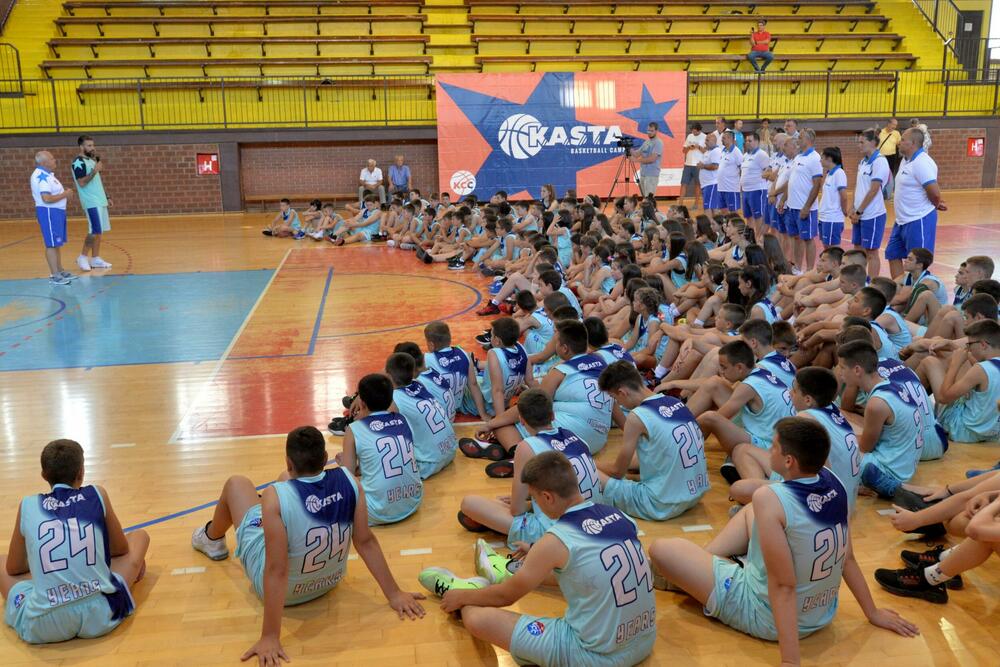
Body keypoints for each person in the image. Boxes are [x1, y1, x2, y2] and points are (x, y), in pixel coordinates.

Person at [649, 417, 919, 665]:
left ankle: (698, 574)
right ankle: (705, 569)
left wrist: (790, 660)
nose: (769, 450)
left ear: (789, 461)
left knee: (662, 549)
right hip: (821, 612)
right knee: (750, 512)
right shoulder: (835, 483)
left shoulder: (770, 498)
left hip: (769, 615)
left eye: (774, 446)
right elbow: (848, 559)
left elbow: (783, 586)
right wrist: (872, 612)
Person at [191, 426, 426, 663]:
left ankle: (211, 539)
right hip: (329, 581)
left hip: (287, 594)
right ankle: (283, 515)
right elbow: (365, 542)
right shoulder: (351, 481)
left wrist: (270, 636)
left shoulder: (273, 495)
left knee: (237, 484)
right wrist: (394, 593)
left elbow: (276, 570)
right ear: (325, 458)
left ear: (289, 462)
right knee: (285, 484)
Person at [419, 451, 656, 667]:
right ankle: (505, 575)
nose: (534, 505)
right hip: (644, 642)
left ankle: (465, 588)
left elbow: (505, 597)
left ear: (547, 497)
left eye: (534, 498)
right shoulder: (619, 516)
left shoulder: (555, 540)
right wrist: (536, 550)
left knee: (477, 617)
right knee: (574, 573)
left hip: (593, 657)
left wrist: (463, 597)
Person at [1, 439, 149, 645]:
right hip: (101, 614)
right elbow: (121, 549)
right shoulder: (97, 493)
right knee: (139, 536)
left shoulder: (28, 504)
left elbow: (13, 568)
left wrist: (42, 566)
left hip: (45, 624)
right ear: (81, 472)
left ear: (43, 475)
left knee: (2, 562)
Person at [457, 390, 603, 545]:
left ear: (521, 420)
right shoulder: (576, 437)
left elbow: (516, 510)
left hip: (560, 530)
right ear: (553, 415)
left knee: (469, 503)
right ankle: (497, 522)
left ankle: (496, 525)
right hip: (595, 517)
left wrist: (525, 504)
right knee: (507, 502)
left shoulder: (527, 446)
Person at [597, 361, 710, 520]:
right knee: (636, 462)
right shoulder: (675, 402)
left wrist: (591, 463)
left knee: (585, 469)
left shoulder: (637, 416)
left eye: (614, 398)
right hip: (695, 494)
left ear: (622, 392)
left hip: (659, 504)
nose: (618, 403)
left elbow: (617, 472)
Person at [835, 341, 922, 499]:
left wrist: (839, 438)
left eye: (842, 367)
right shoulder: (892, 385)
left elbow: (865, 447)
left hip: (888, 471)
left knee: (831, 447)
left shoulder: (877, 403)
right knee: (845, 425)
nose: (840, 373)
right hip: (904, 466)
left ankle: (858, 483)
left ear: (857, 370)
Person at [339, 374, 423, 526]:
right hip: (413, 501)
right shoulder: (403, 420)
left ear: (362, 403)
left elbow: (348, 480)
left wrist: (343, 466)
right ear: (391, 399)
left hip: (376, 511)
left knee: (339, 490)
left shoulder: (353, 429)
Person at [918, 319, 1000, 444]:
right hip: (991, 432)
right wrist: (952, 346)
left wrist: (955, 365)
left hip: (963, 431)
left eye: (970, 344)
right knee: (956, 357)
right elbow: (987, 371)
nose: (969, 349)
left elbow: (943, 398)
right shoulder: (986, 368)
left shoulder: (980, 370)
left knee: (929, 362)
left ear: (983, 345)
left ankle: (909, 411)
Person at [386, 352, 457, 479]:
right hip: (451, 451)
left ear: (388, 375)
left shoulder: (394, 398)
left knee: (387, 444)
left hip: (428, 463)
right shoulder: (419, 384)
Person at [886, 128, 946, 278]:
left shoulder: (922, 163)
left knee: (918, 262)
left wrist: (935, 204)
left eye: (903, 140)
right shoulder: (906, 160)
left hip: (918, 219)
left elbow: (934, 192)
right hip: (901, 220)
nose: (899, 142)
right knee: (892, 254)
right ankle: (899, 288)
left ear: (913, 143)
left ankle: (917, 290)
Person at [30, 151, 76, 285]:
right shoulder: (41, 176)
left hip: (56, 212)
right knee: (51, 243)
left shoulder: (48, 175)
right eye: (52, 158)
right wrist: (65, 194)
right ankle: (55, 275)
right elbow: (47, 198)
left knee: (56, 243)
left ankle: (60, 270)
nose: (55, 160)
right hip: (49, 212)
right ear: (44, 162)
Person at [851, 128, 891, 278]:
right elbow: (858, 186)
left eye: (862, 142)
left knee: (871, 252)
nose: (859, 145)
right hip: (859, 213)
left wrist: (859, 211)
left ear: (873, 142)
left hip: (872, 214)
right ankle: (859, 280)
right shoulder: (863, 161)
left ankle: (872, 283)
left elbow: (874, 189)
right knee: (858, 249)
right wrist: (852, 207)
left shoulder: (880, 161)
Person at [71, 135, 113, 271]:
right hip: (91, 201)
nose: (92, 148)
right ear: (81, 147)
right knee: (94, 230)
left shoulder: (91, 160)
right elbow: (82, 183)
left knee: (99, 231)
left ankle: (95, 258)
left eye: (93, 145)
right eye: (89, 145)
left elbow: (97, 182)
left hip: (100, 200)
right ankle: (82, 257)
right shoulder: (78, 162)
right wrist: (95, 170)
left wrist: (106, 196)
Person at [786, 128, 822, 271]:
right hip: (792, 206)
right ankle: (798, 267)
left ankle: (810, 270)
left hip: (805, 207)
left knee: (808, 239)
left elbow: (817, 184)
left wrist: (807, 207)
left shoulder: (815, 158)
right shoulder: (798, 157)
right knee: (796, 237)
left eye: (800, 137)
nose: (798, 140)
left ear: (808, 140)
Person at [818, 147, 849, 249]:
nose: (820, 160)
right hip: (824, 217)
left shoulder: (839, 173)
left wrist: (844, 210)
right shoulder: (829, 173)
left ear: (829, 159)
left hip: (832, 218)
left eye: (822, 157)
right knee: (827, 247)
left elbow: (844, 196)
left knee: (833, 250)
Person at [633, 121, 664, 198]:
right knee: (644, 197)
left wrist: (637, 160)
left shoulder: (658, 142)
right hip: (643, 174)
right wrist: (628, 148)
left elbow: (652, 159)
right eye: (648, 130)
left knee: (649, 199)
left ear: (656, 131)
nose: (649, 132)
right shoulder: (646, 142)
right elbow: (636, 154)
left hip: (651, 174)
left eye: (651, 131)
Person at [681, 122, 706, 209]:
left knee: (697, 184)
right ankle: (680, 204)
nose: (693, 133)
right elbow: (684, 151)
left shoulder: (704, 137)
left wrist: (698, 147)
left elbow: (706, 152)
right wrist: (689, 147)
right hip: (688, 164)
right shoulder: (689, 136)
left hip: (698, 164)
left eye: (695, 131)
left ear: (699, 130)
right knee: (683, 183)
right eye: (692, 131)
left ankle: (696, 204)